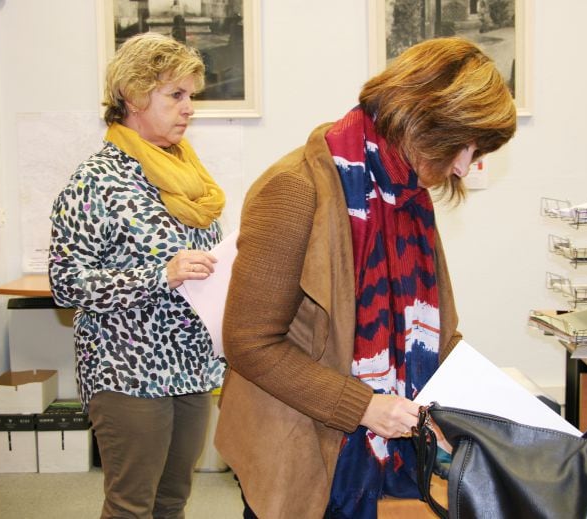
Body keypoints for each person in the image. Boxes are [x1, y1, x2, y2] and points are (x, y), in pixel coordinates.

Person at [215, 36, 516, 519]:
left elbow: (434, 331)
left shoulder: (409, 195)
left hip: (388, 455)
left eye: (477, 151)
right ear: (419, 119)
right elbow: (249, 342)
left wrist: (492, 399)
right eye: (461, 145)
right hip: (302, 447)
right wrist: (364, 407)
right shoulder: (294, 189)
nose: (463, 166)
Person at [48, 32, 226, 518]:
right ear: (133, 95)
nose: (189, 107)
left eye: (192, 96)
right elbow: (65, 282)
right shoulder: (96, 180)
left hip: (191, 365)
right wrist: (158, 275)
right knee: (131, 506)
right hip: (127, 369)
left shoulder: (189, 176)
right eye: (176, 95)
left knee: (173, 501)